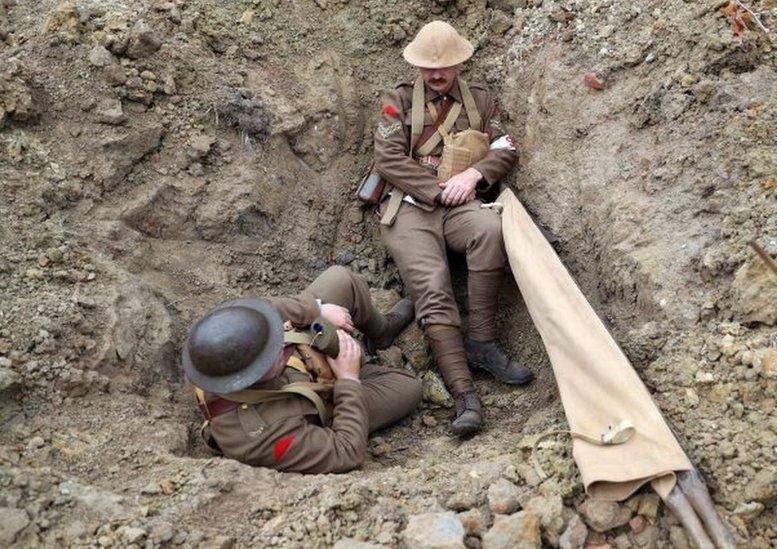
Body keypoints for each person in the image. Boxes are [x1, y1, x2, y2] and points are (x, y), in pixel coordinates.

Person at [372, 20, 533, 436]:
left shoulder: (479, 99)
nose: (437, 74)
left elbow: (504, 146)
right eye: (429, 67)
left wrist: (475, 176)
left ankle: (482, 342)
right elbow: (388, 159)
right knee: (433, 281)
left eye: (444, 67)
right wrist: (437, 191)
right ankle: (464, 394)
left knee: (491, 231)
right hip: (410, 205)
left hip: (460, 201)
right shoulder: (398, 100)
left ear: (461, 63)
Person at [181, 266, 421, 473]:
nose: (283, 338)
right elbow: (345, 451)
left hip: (312, 354)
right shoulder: (258, 438)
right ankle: (362, 367)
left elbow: (263, 308)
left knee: (341, 279)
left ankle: (381, 333)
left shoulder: (212, 339)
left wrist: (317, 310)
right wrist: (348, 379)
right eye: (273, 350)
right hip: (328, 394)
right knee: (409, 387)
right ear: (250, 377)